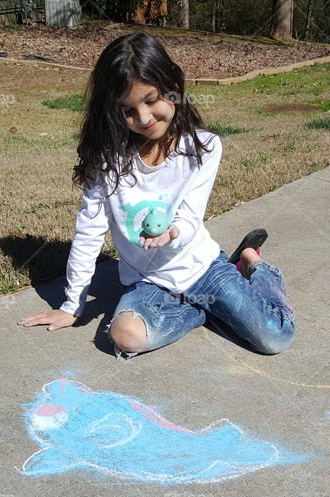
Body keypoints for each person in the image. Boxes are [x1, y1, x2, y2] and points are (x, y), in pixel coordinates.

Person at [17, 32, 295, 359]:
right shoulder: (107, 162)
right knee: (125, 338)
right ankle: (200, 310)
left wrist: (172, 231)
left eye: (151, 100)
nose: (144, 118)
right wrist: (72, 304)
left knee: (274, 338)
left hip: (202, 269)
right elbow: (89, 233)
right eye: (128, 110)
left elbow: (190, 217)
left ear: (173, 87)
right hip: (148, 282)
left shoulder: (201, 148)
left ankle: (253, 264)